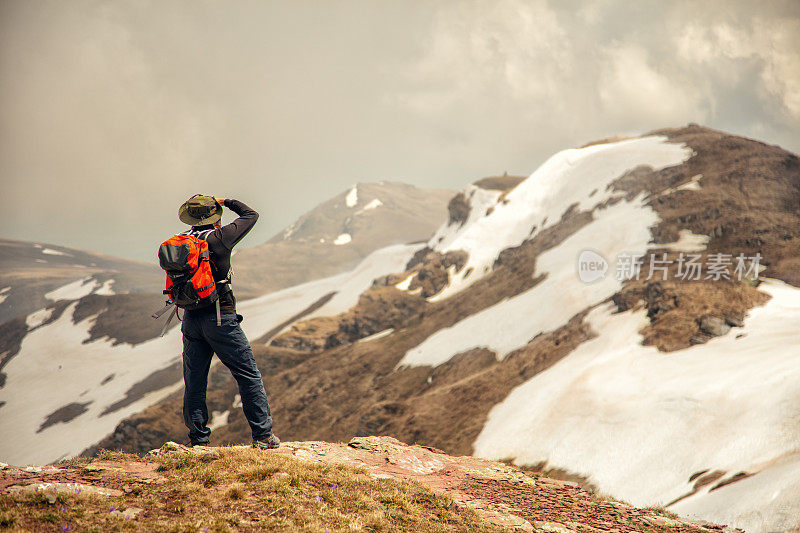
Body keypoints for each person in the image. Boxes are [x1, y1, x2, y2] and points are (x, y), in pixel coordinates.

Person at [176, 194, 279, 449]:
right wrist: (227, 201)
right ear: (215, 217)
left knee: (195, 381)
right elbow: (251, 215)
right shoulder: (220, 238)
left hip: (190, 319)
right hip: (221, 317)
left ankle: (198, 440)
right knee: (248, 375)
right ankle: (263, 436)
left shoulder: (182, 241)